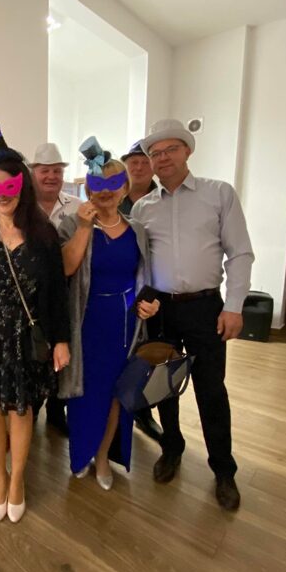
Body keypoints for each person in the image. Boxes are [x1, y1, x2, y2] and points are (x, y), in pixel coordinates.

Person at [133, 118, 254, 511]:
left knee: (211, 389)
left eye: (171, 149)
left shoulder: (218, 194)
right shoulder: (143, 207)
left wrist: (234, 306)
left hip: (206, 308)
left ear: (187, 151)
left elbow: (240, 253)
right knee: (164, 386)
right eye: (155, 153)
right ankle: (172, 448)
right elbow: (140, 264)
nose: (163, 157)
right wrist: (142, 301)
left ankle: (223, 469)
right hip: (161, 310)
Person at [0, 120, 70, 523]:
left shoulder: (43, 234)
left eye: (10, 186)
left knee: (22, 411)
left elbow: (56, 292)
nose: (2, 194)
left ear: (22, 185)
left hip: (25, 337)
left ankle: (18, 479)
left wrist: (60, 339)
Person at [58, 137, 159, 490]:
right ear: (88, 188)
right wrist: (85, 227)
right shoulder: (72, 225)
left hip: (125, 324)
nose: (106, 191)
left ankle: (102, 457)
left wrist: (151, 304)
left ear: (124, 188)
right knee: (84, 393)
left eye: (114, 183)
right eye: (98, 184)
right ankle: (80, 454)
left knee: (117, 394)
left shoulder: (138, 231)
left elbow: (145, 277)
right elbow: (66, 269)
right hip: (85, 323)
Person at [29, 141, 81, 434]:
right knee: (37, 351)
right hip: (32, 295)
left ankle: (56, 409)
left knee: (64, 347)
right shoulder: (23, 207)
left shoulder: (77, 207)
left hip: (68, 291)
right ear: (33, 173)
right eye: (44, 171)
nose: (51, 176)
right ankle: (33, 407)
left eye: (57, 171)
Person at [118, 141, 163, 444]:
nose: (138, 166)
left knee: (146, 356)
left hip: (153, 291)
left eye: (144, 161)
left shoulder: (164, 200)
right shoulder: (113, 199)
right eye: (132, 162)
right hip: (117, 294)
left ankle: (143, 412)